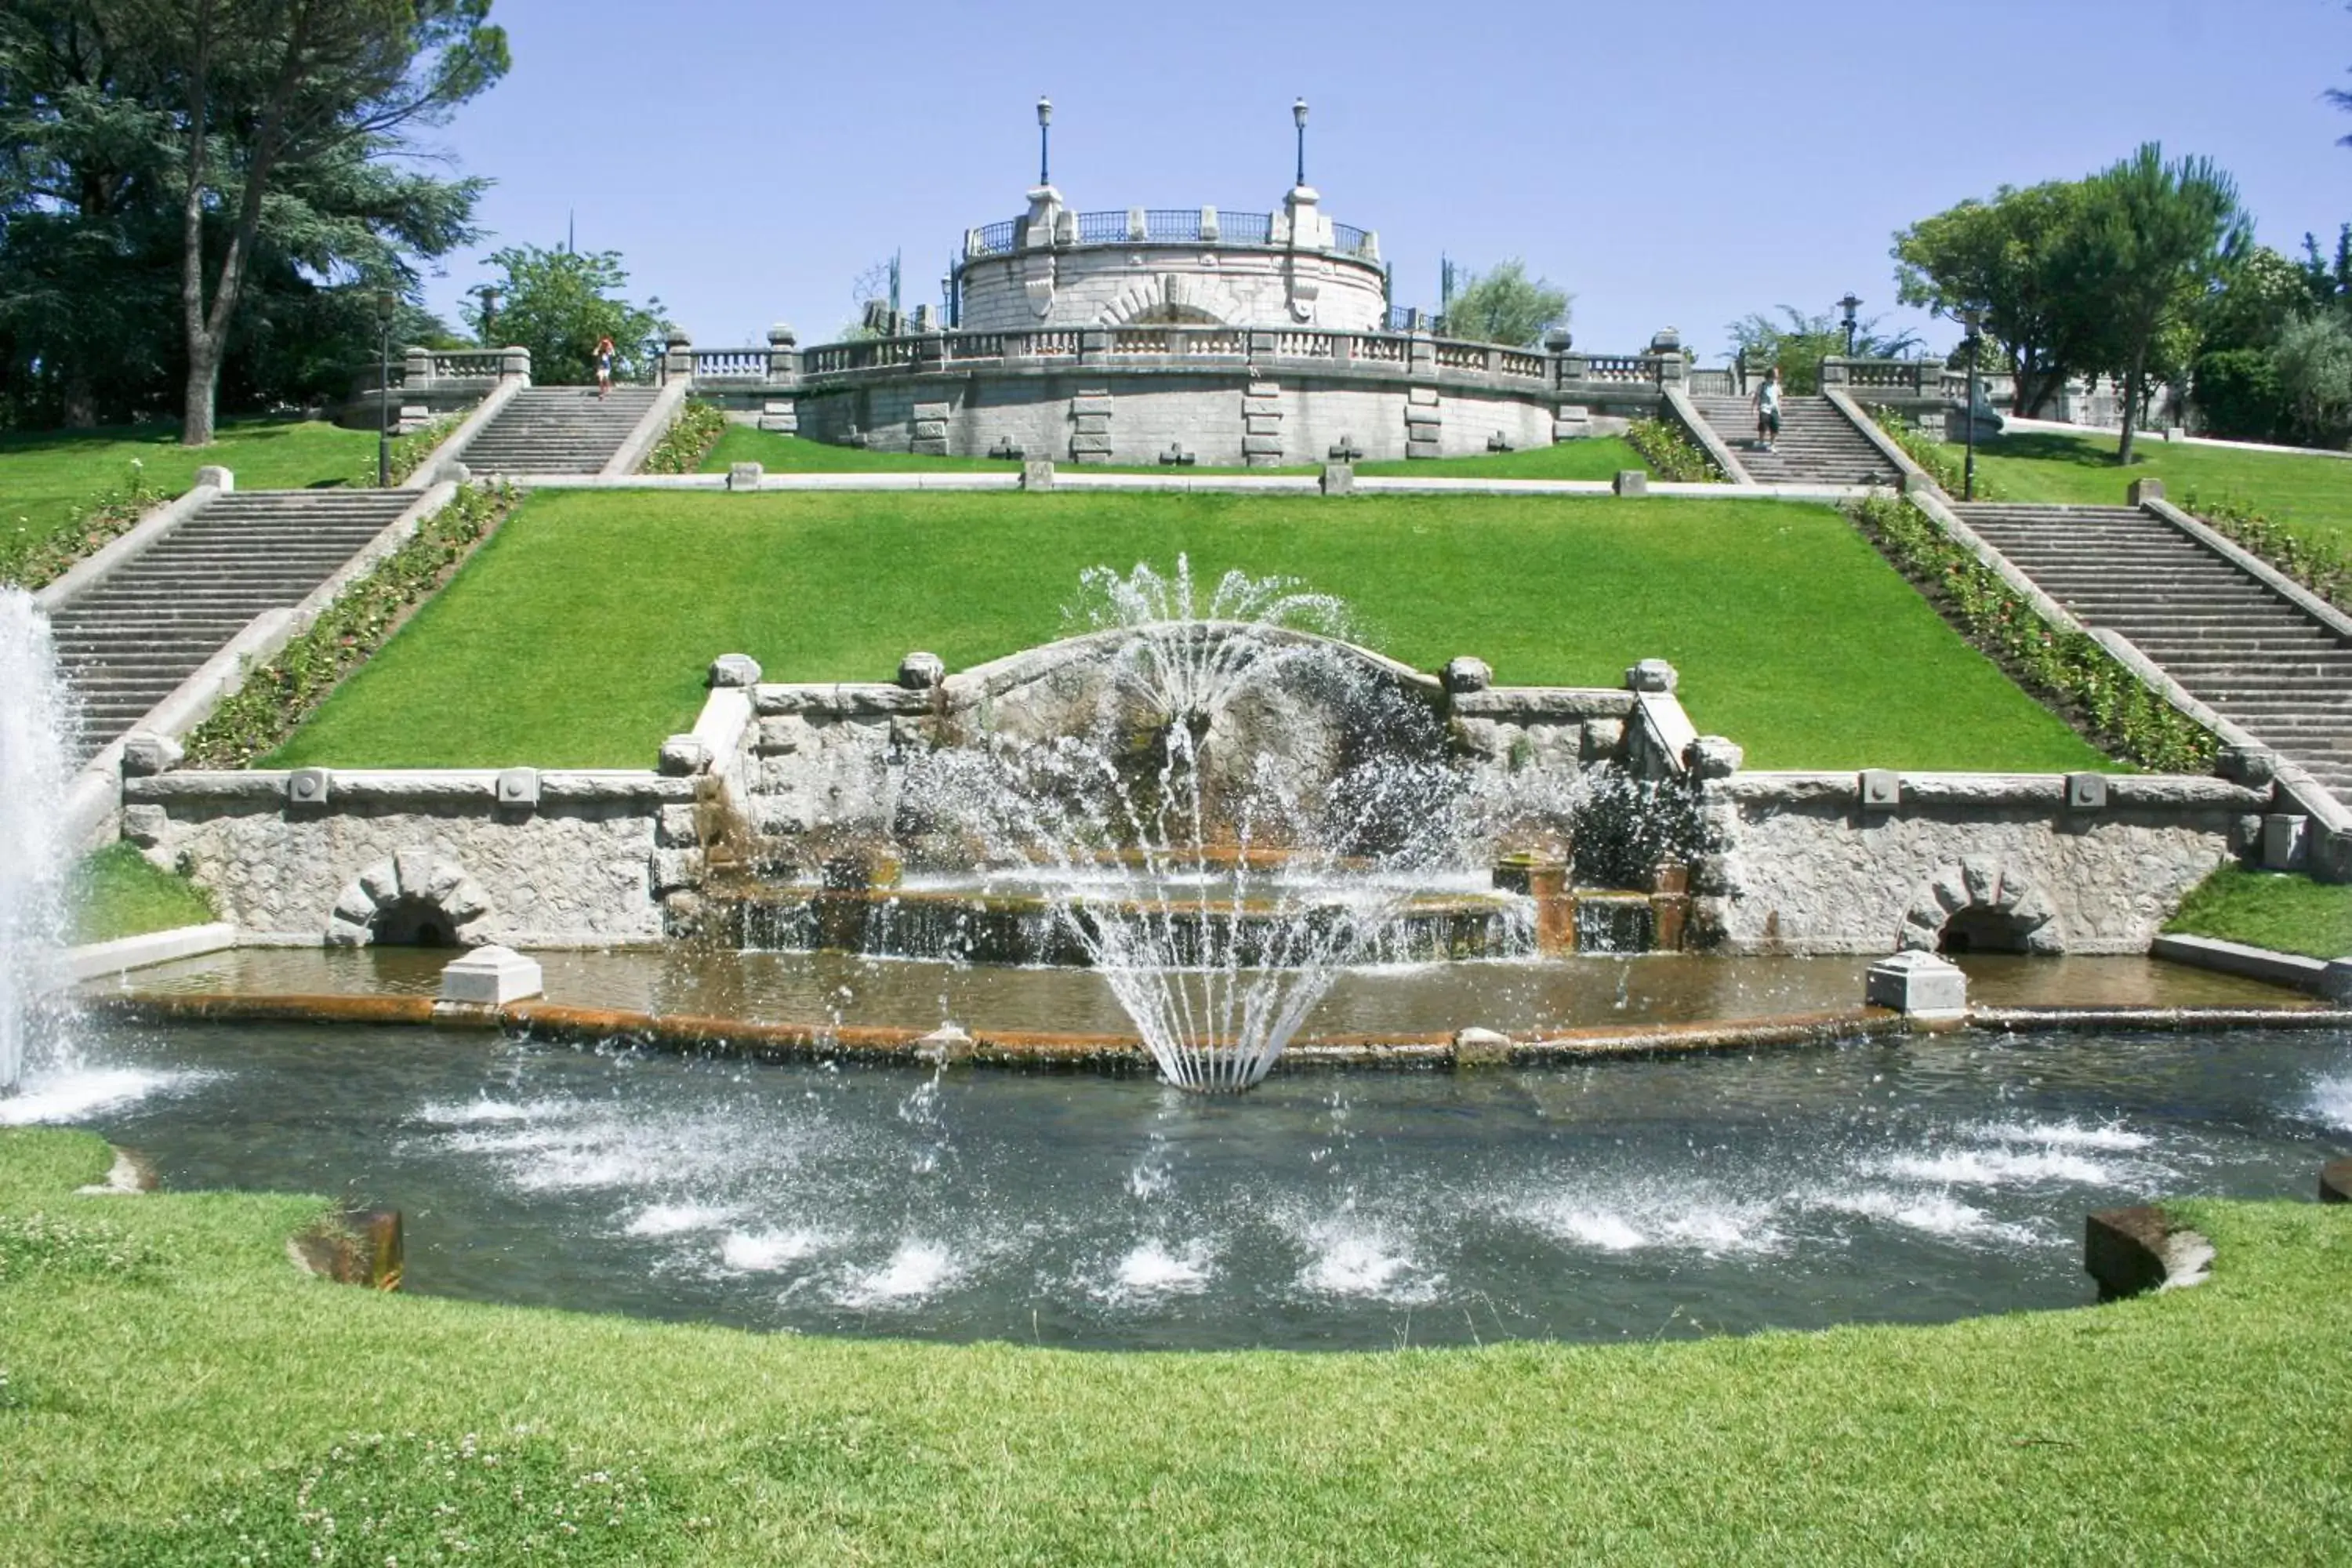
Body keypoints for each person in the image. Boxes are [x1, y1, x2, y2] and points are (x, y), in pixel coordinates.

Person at [1752, 365, 1782, 452]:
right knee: (1763, 423)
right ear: (1771, 374)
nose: (1777, 375)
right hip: (1764, 407)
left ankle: (1772, 444)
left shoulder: (1777, 386)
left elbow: (1779, 398)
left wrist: (1779, 410)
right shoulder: (1762, 385)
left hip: (1774, 408)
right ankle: (1761, 441)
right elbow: (1757, 397)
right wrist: (1753, 408)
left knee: (1775, 426)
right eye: (1776, 373)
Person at [594, 335, 615, 399]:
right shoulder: (600, 352)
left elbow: (612, 351)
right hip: (601, 367)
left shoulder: (608, 352)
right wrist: (600, 344)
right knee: (600, 379)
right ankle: (602, 393)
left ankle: (608, 387)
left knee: (606, 377)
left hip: (607, 367)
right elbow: (595, 353)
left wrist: (609, 342)